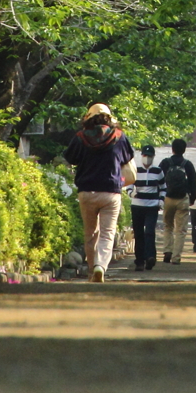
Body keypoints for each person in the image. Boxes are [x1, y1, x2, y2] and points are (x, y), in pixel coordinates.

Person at [63, 103, 135, 283]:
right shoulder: (119, 136)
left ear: (88, 118)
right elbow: (128, 160)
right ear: (109, 118)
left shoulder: (80, 137)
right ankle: (100, 266)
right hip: (111, 192)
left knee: (90, 233)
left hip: (87, 191)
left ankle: (90, 270)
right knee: (107, 233)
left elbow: (70, 159)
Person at [159, 138, 196, 264]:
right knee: (180, 230)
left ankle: (167, 251)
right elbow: (193, 183)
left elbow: (158, 180)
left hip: (168, 198)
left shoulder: (165, 163)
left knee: (168, 226)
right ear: (184, 150)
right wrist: (192, 198)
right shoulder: (188, 164)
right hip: (182, 199)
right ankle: (176, 257)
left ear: (172, 149)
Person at [130, 145, 167, 271]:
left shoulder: (157, 171)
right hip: (137, 205)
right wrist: (131, 193)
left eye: (149, 156)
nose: (147, 158)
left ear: (153, 157)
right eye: (145, 156)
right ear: (141, 156)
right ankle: (139, 261)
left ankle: (150, 257)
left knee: (149, 232)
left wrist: (161, 200)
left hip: (152, 206)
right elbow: (128, 184)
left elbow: (163, 187)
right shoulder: (135, 170)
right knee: (138, 233)